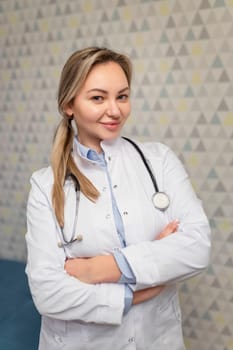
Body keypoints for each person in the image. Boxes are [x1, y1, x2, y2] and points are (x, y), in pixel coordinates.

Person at [25, 47, 211, 350]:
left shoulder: (159, 160)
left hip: (157, 339)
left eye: (122, 96)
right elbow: (48, 293)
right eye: (98, 98)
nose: (115, 110)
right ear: (69, 104)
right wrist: (141, 286)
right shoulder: (45, 185)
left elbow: (197, 248)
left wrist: (97, 270)